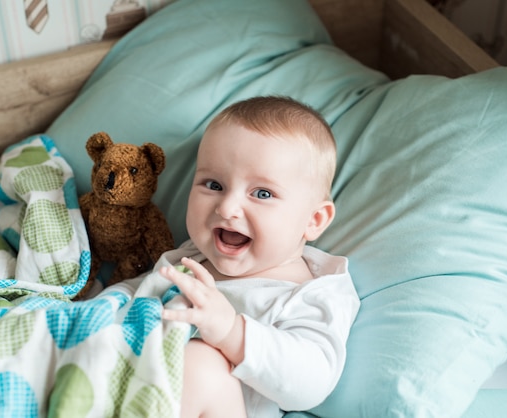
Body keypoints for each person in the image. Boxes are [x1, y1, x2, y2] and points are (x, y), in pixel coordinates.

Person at [141, 96, 360, 417]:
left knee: (201, 363)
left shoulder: (312, 293)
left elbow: (310, 385)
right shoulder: (189, 258)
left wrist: (231, 333)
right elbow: (138, 296)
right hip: (131, 389)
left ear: (313, 220)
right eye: (213, 184)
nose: (227, 208)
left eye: (262, 194)